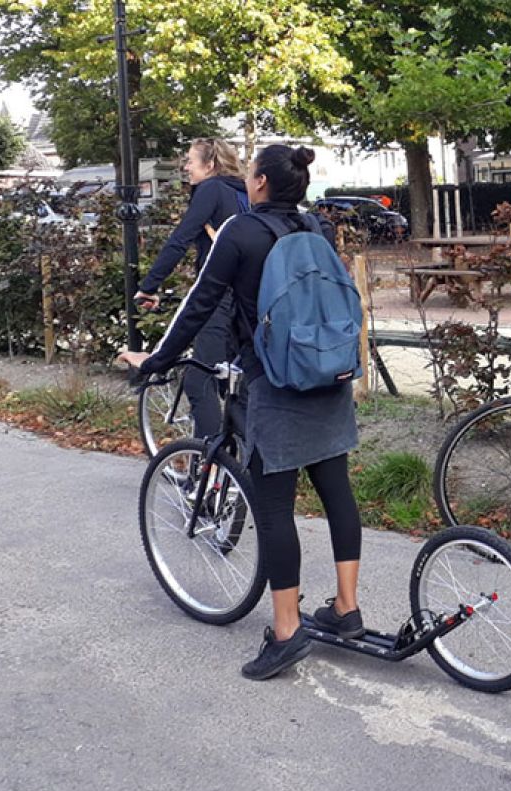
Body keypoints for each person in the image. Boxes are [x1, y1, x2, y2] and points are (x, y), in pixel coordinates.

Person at [119, 145, 365, 681]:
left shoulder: (241, 232)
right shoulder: (318, 230)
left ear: (257, 183)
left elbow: (200, 304)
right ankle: (347, 608)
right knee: (336, 490)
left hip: (275, 385)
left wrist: (157, 360)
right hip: (330, 378)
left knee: (274, 507)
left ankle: (285, 631)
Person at [135, 138, 250, 439]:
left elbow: (180, 238)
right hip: (249, 297)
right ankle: (240, 461)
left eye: (190, 160)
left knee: (199, 380)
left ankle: (210, 466)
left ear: (209, 164)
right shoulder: (244, 192)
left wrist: (149, 286)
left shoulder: (210, 189)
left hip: (219, 296)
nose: (185, 167)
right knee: (233, 380)